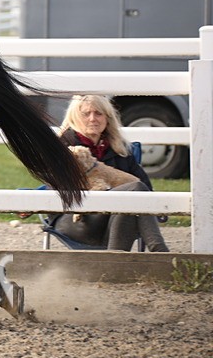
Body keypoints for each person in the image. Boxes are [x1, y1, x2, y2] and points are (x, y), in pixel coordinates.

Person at [50, 94, 169, 252]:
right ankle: (161, 252)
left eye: (99, 113)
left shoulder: (120, 148)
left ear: (107, 118)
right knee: (134, 190)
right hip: (76, 218)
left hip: (114, 218)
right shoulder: (63, 147)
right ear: (74, 117)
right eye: (86, 114)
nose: (93, 119)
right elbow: (55, 186)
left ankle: (115, 262)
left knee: (130, 201)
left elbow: (145, 186)